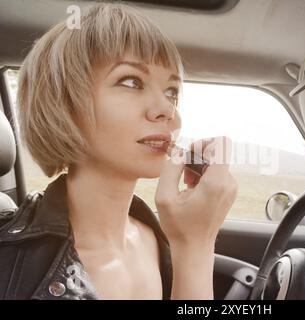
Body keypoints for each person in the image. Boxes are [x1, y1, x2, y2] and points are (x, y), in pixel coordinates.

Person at [0, 3, 237, 300]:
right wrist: (195, 247)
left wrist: (195, 243)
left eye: (171, 92)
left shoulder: (154, 236)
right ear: (64, 105)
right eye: (131, 81)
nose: (167, 110)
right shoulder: (7, 264)